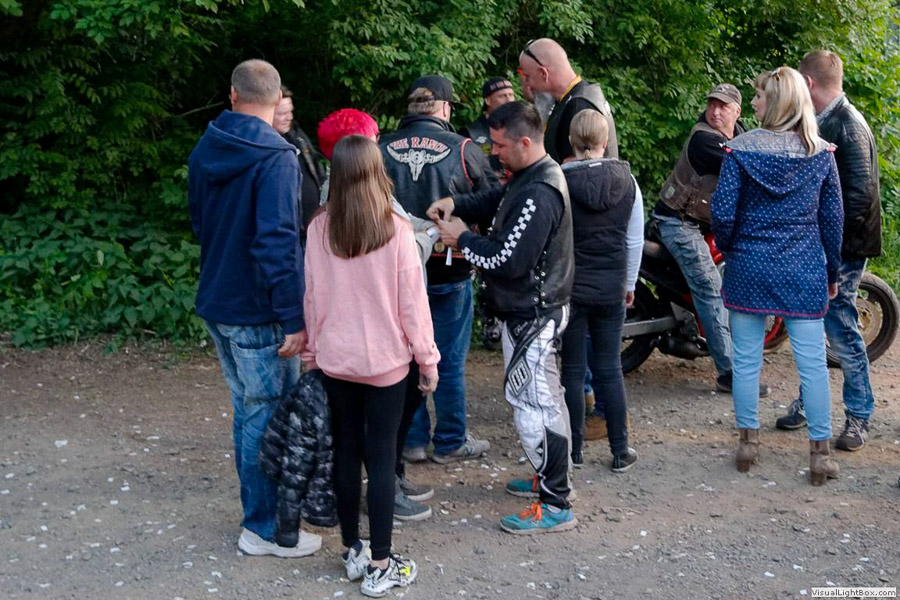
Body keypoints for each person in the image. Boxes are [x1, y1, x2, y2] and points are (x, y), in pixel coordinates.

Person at [188, 59, 319, 557]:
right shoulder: (277, 155)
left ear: (233, 94)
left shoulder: (208, 143)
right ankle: (263, 528)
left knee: (249, 409)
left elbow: (199, 222)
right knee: (265, 414)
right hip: (258, 309)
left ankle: (261, 518)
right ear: (277, 97)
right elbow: (277, 241)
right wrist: (293, 317)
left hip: (218, 298)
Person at [428, 101, 576, 534]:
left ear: (525, 142)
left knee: (536, 403)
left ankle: (555, 501)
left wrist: (462, 238)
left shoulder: (540, 191)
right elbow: (498, 198)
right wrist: (457, 202)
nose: (493, 153)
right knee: (540, 398)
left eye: (499, 145)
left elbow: (508, 261)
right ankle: (549, 478)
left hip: (534, 312)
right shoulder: (531, 176)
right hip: (530, 309)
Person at [302, 135, 440, 596]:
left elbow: (312, 296)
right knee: (381, 459)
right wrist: (427, 358)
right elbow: (412, 305)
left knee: (345, 450)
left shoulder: (319, 228)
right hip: (386, 363)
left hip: (335, 359)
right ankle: (382, 563)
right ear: (377, 171)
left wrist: (311, 353)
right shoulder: (396, 230)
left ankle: (353, 550)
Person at [711, 66, 843, 486]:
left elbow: (722, 213)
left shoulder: (740, 150)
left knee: (747, 359)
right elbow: (832, 221)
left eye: (759, 96)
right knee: (812, 364)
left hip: (749, 265)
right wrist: (832, 270)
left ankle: (748, 445)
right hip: (803, 268)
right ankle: (819, 455)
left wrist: (733, 249)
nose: (753, 102)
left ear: (777, 102)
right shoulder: (821, 154)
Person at [380, 75, 497, 465]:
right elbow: (492, 199)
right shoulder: (463, 148)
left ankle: (412, 441)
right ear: (444, 108)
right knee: (448, 359)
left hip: (395, 272)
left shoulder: (379, 147)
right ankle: (450, 440)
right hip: (449, 269)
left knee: (406, 357)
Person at [776, 51, 882, 452]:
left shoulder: (847, 125)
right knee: (812, 326)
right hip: (826, 247)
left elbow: (857, 201)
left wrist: (830, 259)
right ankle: (810, 402)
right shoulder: (826, 120)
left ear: (808, 83)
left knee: (841, 328)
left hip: (845, 249)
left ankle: (859, 415)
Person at [650, 83, 769, 397]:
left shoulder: (738, 134)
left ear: (737, 111)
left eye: (723, 106)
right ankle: (730, 374)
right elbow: (748, 167)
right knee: (711, 290)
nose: (715, 111)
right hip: (678, 223)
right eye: (712, 104)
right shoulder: (704, 140)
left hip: (703, 223)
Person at [558, 110, 643, 469]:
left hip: (572, 289)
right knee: (610, 368)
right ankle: (620, 450)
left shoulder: (559, 181)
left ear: (571, 142)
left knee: (572, 371)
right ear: (605, 141)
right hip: (611, 287)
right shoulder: (628, 181)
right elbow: (634, 240)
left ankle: (574, 450)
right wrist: (630, 283)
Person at [460, 77, 517, 350]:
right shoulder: (471, 133)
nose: (509, 99)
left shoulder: (522, 127)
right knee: (486, 266)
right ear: (487, 100)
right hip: (484, 209)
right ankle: (490, 322)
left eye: (511, 94)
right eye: (502, 95)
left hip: (515, 204)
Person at [516, 38, 618, 162]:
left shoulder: (578, 106)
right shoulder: (574, 99)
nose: (527, 84)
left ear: (543, 74)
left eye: (527, 76)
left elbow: (577, 167)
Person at [272, 86, 326, 241]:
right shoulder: (264, 147)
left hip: (312, 228)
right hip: (288, 233)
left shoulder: (297, 135)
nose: (289, 117)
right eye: (282, 113)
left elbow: (317, 169)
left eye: (290, 111)